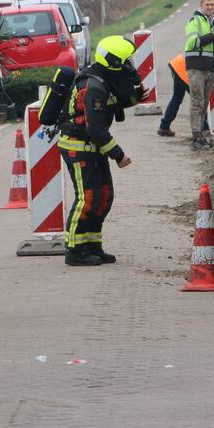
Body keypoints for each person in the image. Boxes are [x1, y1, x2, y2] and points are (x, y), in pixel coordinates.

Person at [56, 36, 144, 266]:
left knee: (104, 196)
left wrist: (133, 98)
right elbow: (95, 128)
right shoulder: (93, 86)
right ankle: (74, 250)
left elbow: (110, 104)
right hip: (79, 147)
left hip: (92, 148)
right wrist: (118, 154)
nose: (130, 66)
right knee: (88, 198)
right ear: (114, 61)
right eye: (126, 61)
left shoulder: (102, 79)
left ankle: (92, 246)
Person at [158, 45, 214, 137]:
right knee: (200, 100)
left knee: (177, 98)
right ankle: (204, 128)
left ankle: (164, 127)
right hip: (185, 68)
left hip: (178, 64)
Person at [184, 0, 214, 151]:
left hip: (209, 67)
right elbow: (193, 43)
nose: (210, 7)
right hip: (196, 67)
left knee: (205, 102)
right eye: (207, 4)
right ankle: (196, 137)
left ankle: (201, 134)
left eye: (212, 4)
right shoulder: (195, 20)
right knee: (197, 101)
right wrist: (212, 35)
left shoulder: (213, 21)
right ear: (201, 5)